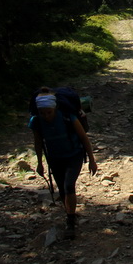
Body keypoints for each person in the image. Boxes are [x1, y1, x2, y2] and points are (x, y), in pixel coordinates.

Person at [29, 90, 97, 239]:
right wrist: (40, 163)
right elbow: (38, 143)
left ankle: (70, 222)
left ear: (55, 109)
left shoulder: (68, 117)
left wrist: (92, 160)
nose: (46, 116)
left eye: (49, 112)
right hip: (55, 158)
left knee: (68, 185)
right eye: (42, 113)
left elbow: (84, 138)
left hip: (74, 155)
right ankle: (70, 214)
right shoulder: (36, 121)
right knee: (62, 190)